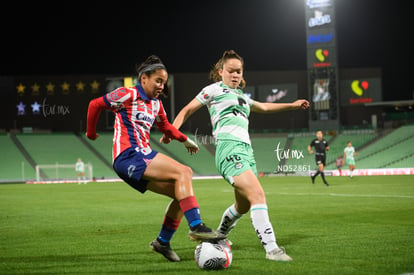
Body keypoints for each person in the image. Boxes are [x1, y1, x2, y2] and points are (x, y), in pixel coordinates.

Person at [161, 50, 309, 261]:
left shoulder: (242, 96)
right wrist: (172, 131)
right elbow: (187, 110)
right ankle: (272, 249)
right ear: (221, 72)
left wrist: (292, 105)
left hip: (247, 152)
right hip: (229, 149)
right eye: (231, 71)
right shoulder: (213, 90)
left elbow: (265, 107)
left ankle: (219, 236)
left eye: (238, 71)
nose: (235, 75)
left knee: (244, 205)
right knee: (257, 194)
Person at [85, 55, 225, 262]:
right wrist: (91, 133)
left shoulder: (156, 105)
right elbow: (95, 104)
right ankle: (196, 226)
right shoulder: (127, 94)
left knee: (181, 194)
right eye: (158, 81)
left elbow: (165, 127)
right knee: (184, 172)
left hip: (138, 157)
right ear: (144, 78)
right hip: (129, 154)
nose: (161, 86)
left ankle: (162, 242)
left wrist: (185, 140)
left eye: (163, 82)